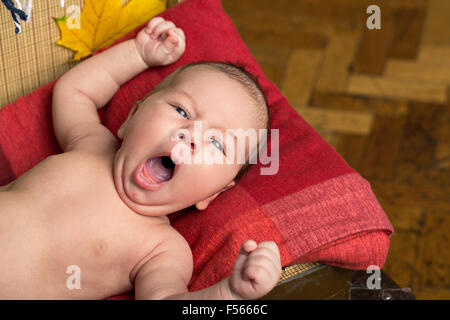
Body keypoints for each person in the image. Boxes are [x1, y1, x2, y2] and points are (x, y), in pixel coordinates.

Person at [0, 17, 281, 299]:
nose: (191, 135)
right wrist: (137, 54)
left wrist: (229, 294)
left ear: (213, 193)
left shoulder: (160, 248)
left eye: (217, 143)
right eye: (182, 112)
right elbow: (75, 92)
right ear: (131, 118)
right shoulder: (92, 143)